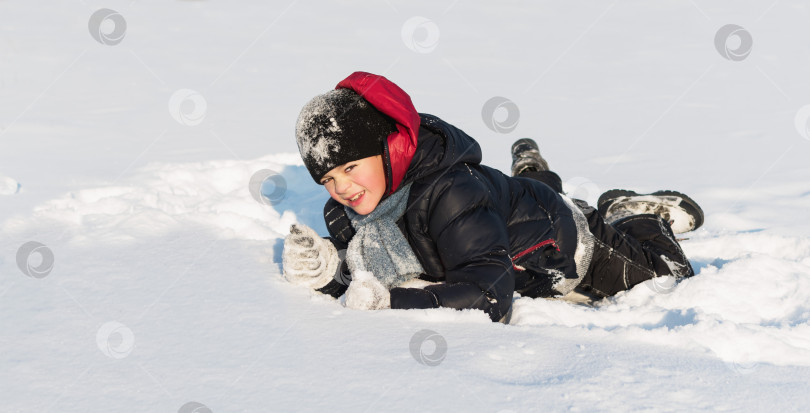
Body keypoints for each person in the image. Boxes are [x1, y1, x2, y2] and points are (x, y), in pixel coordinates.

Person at [281, 71, 703, 324]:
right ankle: (533, 174)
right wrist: (325, 270)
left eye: (351, 167)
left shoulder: (451, 194)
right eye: (327, 178)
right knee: (526, 196)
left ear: (391, 148)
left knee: (672, 277)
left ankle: (633, 217)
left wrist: (392, 301)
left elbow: (490, 294)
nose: (341, 189)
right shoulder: (356, 209)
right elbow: (358, 266)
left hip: (569, 245)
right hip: (520, 210)